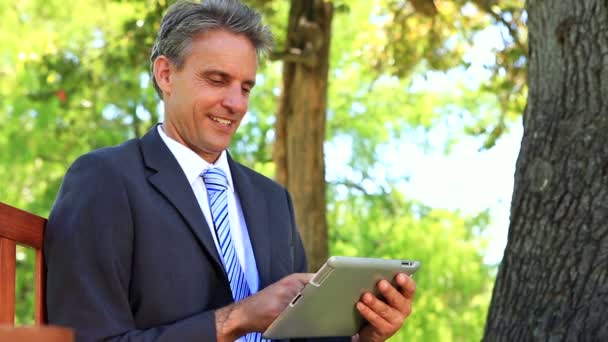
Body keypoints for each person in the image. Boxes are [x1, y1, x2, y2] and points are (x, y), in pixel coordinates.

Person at [44, 0, 416, 341]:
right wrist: (234, 319)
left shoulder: (273, 201)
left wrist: (362, 335)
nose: (236, 103)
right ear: (166, 75)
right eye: (217, 80)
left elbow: (300, 334)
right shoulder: (105, 180)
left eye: (246, 87)